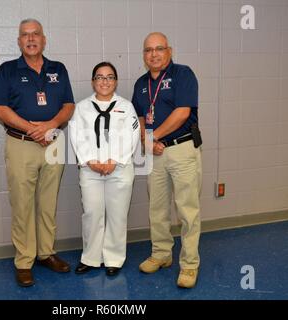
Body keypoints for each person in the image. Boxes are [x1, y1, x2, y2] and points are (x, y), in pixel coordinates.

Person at [0, 19, 75, 287]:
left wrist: (49, 126)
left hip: (54, 143)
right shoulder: (7, 70)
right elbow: (0, 110)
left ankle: (46, 253)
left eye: (35, 34)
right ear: (19, 41)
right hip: (21, 145)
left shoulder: (58, 69)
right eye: (25, 35)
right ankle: (24, 261)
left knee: (48, 202)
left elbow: (68, 105)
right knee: (22, 204)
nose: (30, 39)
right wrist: (32, 129)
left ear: (44, 39)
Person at [132, 32, 202, 288]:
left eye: (159, 48)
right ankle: (161, 254)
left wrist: (153, 137)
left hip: (181, 148)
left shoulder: (183, 74)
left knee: (187, 210)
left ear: (169, 51)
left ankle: (190, 264)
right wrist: (146, 140)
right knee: (157, 209)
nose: (154, 54)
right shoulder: (141, 83)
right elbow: (139, 117)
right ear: (144, 55)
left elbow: (182, 113)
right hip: (155, 152)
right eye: (148, 50)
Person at [69, 62, 140, 276]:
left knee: (117, 215)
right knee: (91, 213)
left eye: (109, 77)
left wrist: (114, 160)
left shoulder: (126, 107)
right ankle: (91, 258)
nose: (104, 81)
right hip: (91, 170)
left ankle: (114, 259)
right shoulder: (82, 107)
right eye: (99, 77)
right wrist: (90, 160)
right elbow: (76, 136)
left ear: (115, 81)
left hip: (118, 169)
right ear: (93, 82)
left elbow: (133, 135)